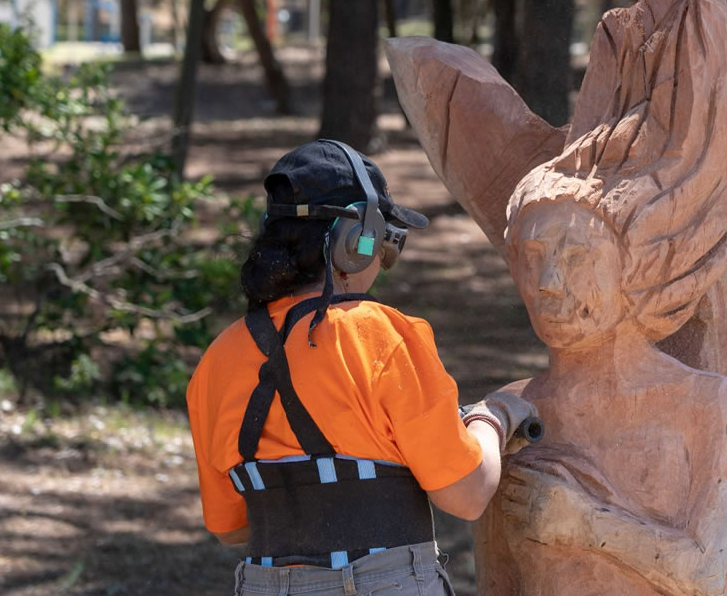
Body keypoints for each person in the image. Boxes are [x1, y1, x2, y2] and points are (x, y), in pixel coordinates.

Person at [187, 139, 538, 596]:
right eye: (385, 238)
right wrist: (494, 417)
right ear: (356, 240)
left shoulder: (217, 360)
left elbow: (231, 528)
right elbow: (467, 494)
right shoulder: (382, 335)